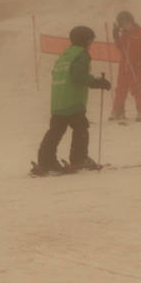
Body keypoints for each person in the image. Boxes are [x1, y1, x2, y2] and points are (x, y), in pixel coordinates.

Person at [33, 25, 112, 175]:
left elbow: (58, 73)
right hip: (73, 100)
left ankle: (46, 160)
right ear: (86, 41)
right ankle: (79, 158)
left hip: (59, 101)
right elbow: (78, 76)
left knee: (56, 130)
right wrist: (97, 82)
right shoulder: (81, 54)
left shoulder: (66, 54)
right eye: (91, 41)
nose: (91, 44)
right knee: (81, 127)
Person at [109, 11, 141, 122]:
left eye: (127, 22)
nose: (125, 26)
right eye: (122, 24)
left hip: (137, 65)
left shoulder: (140, 32)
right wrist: (116, 37)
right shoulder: (123, 34)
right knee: (120, 89)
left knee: (136, 88)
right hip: (124, 65)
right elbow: (120, 47)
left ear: (131, 21)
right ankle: (118, 111)